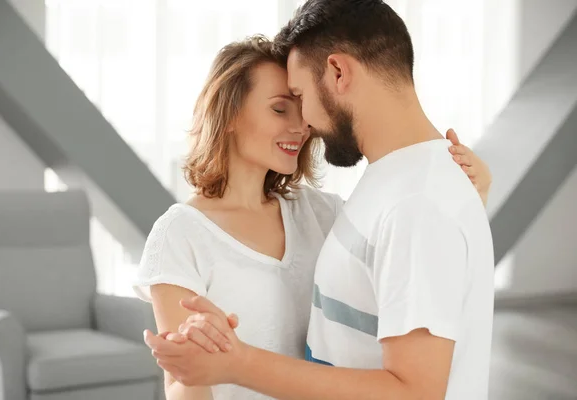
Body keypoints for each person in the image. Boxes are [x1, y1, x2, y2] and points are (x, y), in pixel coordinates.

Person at [137, 7, 493, 398]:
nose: (303, 124)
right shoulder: (181, 233)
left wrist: (469, 190)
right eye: (280, 107)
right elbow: (184, 382)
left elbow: (415, 383)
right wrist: (202, 363)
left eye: (300, 99)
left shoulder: (334, 212)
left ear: (338, 72)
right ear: (230, 114)